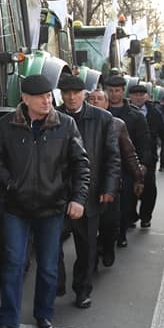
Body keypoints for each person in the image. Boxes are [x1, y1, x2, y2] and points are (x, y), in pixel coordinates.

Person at [0, 74, 90, 328]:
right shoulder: (6, 125)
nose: (47, 101)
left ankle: (44, 315)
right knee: (13, 263)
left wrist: (78, 198)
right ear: (25, 99)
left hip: (51, 208)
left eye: (48, 96)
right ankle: (9, 323)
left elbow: (81, 164)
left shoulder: (65, 126)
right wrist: (10, 184)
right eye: (41, 97)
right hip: (16, 209)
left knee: (47, 266)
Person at [55, 76, 119, 308]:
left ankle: (82, 290)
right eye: (66, 92)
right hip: (57, 194)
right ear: (61, 94)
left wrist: (108, 188)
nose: (71, 97)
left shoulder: (103, 118)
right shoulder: (51, 117)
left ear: (85, 93)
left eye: (76, 92)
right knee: (52, 246)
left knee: (87, 248)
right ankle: (57, 284)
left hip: (89, 195)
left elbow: (112, 157)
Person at [88, 88, 143, 261]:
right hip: (87, 183)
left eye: (99, 99)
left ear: (106, 103)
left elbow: (129, 153)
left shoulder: (117, 124)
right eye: (92, 99)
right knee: (89, 226)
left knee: (110, 222)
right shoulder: (79, 123)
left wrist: (138, 177)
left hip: (110, 183)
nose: (95, 101)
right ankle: (91, 258)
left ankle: (108, 246)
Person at [104, 77, 150, 242]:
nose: (113, 94)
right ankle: (107, 237)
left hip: (127, 166)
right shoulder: (100, 112)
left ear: (123, 91)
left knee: (125, 204)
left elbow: (144, 143)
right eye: (110, 90)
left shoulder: (135, 116)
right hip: (105, 165)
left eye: (117, 90)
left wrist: (142, 166)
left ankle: (121, 233)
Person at [127, 84, 164, 228]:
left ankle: (145, 216)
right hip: (128, 157)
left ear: (147, 96)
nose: (139, 97)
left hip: (148, 158)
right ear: (130, 96)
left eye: (142, 95)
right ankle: (131, 216)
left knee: (149, 189)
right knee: (129, 189)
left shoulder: (154, 113)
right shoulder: (125, 112)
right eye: (135, 95)